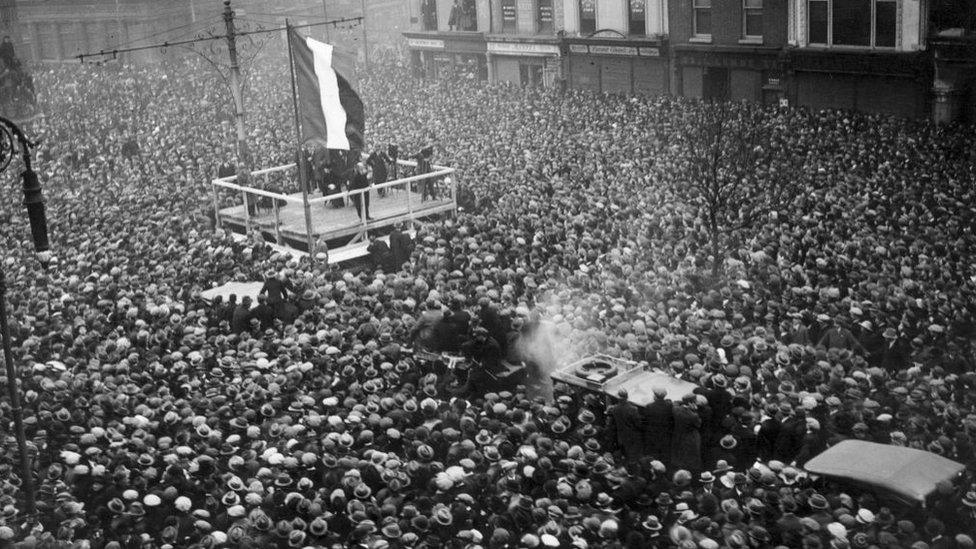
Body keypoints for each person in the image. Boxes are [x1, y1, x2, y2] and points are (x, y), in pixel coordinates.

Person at [607, 388, 643, 466]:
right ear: (626, 397)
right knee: (633, 456)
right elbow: (638, 424)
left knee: (624, 454)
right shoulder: (633, 409)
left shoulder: (615, 409)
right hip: (632, 437)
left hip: (621, 437)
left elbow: (613, 423)